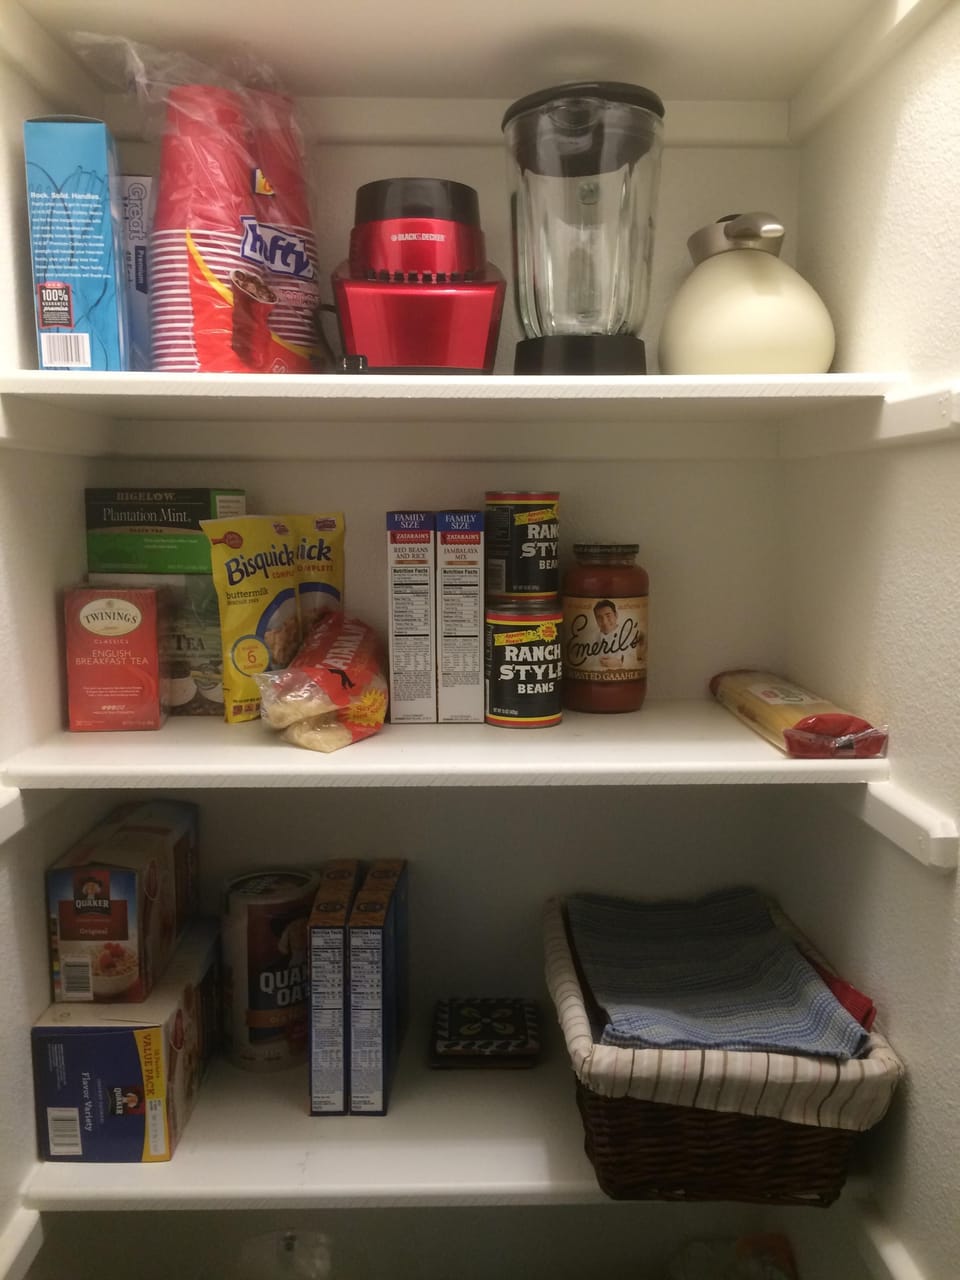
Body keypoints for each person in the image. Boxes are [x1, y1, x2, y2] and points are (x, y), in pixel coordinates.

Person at [593, 599, 623, 669]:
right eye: (599, 618)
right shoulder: (590, 638)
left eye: (608, 616)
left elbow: (637, 659)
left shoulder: (629, 637)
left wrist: (620, 662)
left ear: (616, 615)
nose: (604, 622)